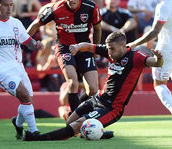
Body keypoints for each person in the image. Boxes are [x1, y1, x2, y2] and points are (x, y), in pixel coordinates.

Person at [23, 30, 163, 141]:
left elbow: (155, 63)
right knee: (70, 121)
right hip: (98, 99)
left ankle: (40, 138)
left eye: (112, 49)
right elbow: (90, 47)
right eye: (108, 49)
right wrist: (78, 47)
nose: (109, 53)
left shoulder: (135, 57)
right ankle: (99, 132)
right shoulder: (112, 52)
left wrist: (159, 58)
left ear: (123, 46)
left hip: (112, 107)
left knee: (78, 125)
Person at [27, 0, 102, 113]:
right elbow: (35, 25)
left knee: (93, 90)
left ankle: (76, 110)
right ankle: (74, 121)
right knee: (72, 83)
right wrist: (24, 41)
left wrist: (95, 48)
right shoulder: (56, 9)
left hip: (84, 48)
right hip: (65, 48)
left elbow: (98, 29)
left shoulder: (91, 7)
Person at [0, 0, 44, 139]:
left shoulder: (16, 23)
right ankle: (33, 132)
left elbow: (28, 42)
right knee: (25, 96)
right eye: (6, 5)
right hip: (0, 68)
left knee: (28, 100)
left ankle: (18, 123)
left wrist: (37, 44)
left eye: (11, 5)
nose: (9, 9)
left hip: (18, 66)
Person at [128, 0, 172, 131]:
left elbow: (154, 32)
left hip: (166, 49)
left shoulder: (163, 6)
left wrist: (134, 43)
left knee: (159, 83)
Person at [12, 0, 42, 67]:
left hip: (27, 23)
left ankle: (28, 59)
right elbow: (7, 13)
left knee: (28, 31)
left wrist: (28, 14)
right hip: (15, 23)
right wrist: (16, 14)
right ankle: (18, 58)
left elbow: (42, 11)